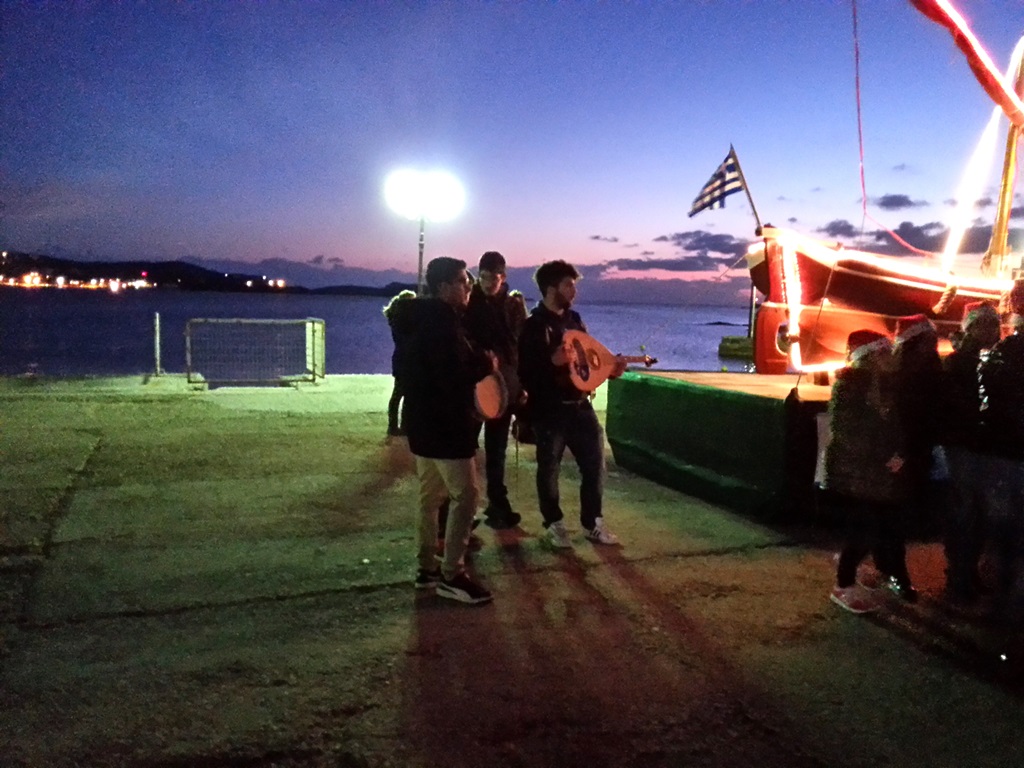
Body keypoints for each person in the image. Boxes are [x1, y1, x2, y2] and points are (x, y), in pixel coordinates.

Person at [404, 257, 496, 604]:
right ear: (443, 288)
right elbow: (454, 376)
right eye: (462, 281)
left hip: (422, 424)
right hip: (446, 426)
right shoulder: (443, 324)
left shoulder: (417, 319)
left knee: (430, 497)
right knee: (466, 497)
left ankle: (426, 568)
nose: (469, 285)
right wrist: (485, 363)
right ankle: (452, 574)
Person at [517, 259, 625, 549]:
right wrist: (550, 362)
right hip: (549, 410)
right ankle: (554, 524)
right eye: (568, 285)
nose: (574, 291)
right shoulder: (533, 326)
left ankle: (593, 523)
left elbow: (588, 363)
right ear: (551, 288)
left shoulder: (574, 320)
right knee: (549, 468)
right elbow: (524, 372)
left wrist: (610, 369)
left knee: (595, 465)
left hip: (580, 406)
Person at [824, 329, 912, 614]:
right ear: (872, 356)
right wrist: (885, 455)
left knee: (875, 527)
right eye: (885, 351)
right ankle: (843, 585)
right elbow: (848, 432)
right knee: (863, 529)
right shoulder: (851, 385)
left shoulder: (884, 385)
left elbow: (894, 426)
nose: (892, 356)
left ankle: (850, 567)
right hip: (857, 472)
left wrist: (899, 452)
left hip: (878, 472)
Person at [940, 302, 1001, 604]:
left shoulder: (983, 360)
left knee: (976, 511)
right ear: (973, 328)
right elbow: (956, 405)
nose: (995, 331)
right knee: (965, 511)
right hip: (963, 445)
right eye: (988, 325)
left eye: (996, 325)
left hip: (977, 444)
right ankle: (959, 578)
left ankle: (967, 573)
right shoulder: (960, 363)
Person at [464, 250, 528, 529]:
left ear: (504, 277)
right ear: (478, 276)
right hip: (475, 383)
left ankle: (498, 504)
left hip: (505, 386)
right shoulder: (469, 301)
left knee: (497, 449)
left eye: (495, 277)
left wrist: (522, 386)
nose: (490, 282)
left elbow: (521, 348)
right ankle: (462, 509)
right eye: (485, 277)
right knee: (465, 447)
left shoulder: (513, 305)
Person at [977, 282, 1024, 624]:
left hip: (1004, 452)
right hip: (1010, 451)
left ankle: (1002, 602)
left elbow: (989, 395)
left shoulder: (1004, 352)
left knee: (1004, 531)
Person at [888, 313, 944, 602]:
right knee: (896, 513)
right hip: (905, 450)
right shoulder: (904, 373)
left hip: (917, 449)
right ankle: (896, 572)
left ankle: (893, 569)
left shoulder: (925, 368)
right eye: (929, 339)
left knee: (900, 512)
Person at [382, 289, 417, 437]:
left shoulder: (396, 319)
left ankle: (396, 426)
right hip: (406, 360)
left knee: (399, 393)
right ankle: (401, 426)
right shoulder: (404, 322)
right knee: (404, 394)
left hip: (399, 358)